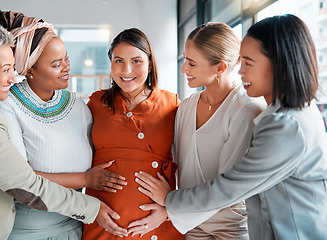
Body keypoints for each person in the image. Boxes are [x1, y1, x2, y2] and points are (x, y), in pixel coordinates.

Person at [135, 14, 327, 240]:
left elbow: (230, 187)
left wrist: (169, 202)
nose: (240, 71)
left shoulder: (285, 125)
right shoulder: (288, 114)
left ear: (278, 65)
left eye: (248, 63)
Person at [0, 25, 128, 240]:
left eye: (13, 68)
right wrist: (92, 207)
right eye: (5, 70)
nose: (13, 78)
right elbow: (25, 185)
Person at [132, 22, 265, 239]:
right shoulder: (186, 106)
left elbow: (227, 188)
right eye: (185, 60)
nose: (184, 69)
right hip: (190, 226)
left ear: (220, 68)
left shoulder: (246, 109)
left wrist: (169, 207)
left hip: (229, 229)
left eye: (192, 63)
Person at [82, 28, 184, 240]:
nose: (126, 70)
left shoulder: (172, 104)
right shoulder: (95, 103)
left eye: (136, 61)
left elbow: (190, 164)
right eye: (119, 61)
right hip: (103, 224)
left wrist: (168, 210)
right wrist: (90, 207)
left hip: (157, 226)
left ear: (149, 63)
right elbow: (78, 160)